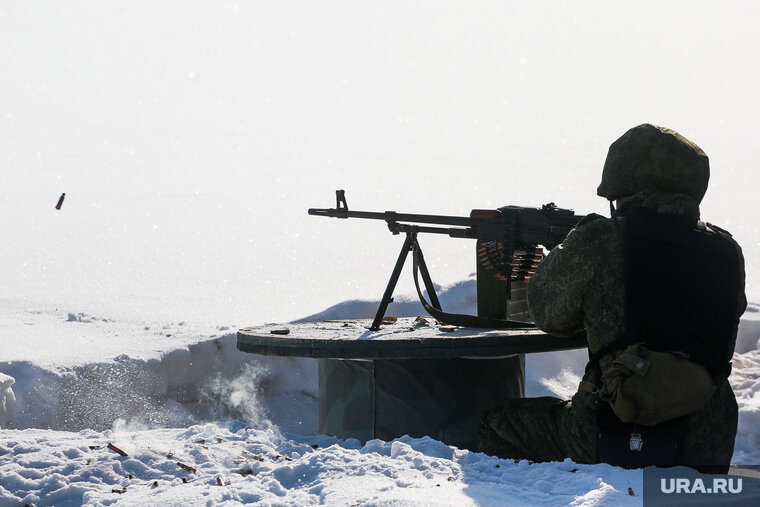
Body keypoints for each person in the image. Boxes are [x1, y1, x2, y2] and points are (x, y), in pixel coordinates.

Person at [479, 124, 746, 474]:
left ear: (621, 187)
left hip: (616, 428)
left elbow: (548, 315)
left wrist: (571, 248)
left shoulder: (602, 240)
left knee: (499, 423)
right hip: (706, 439)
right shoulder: (727, 250)